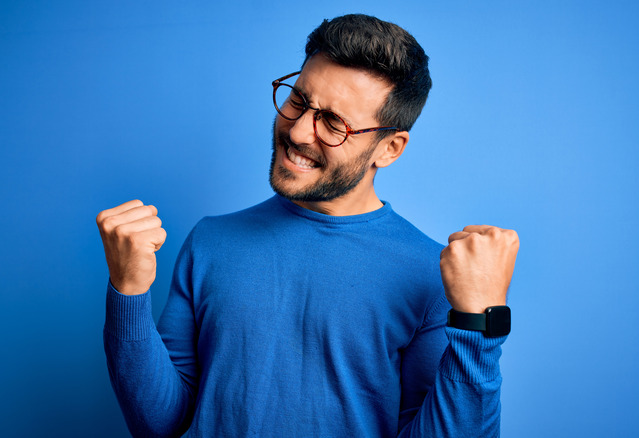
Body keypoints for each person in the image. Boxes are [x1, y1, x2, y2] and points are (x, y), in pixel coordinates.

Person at [97, 14, 519, 438]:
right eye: (298, 100)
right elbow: (159, 426)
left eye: (334, 123)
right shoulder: (210, 241)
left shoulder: (431, 275)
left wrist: (479, 326)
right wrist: (128, 292)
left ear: (389, 148)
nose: (298, 131)